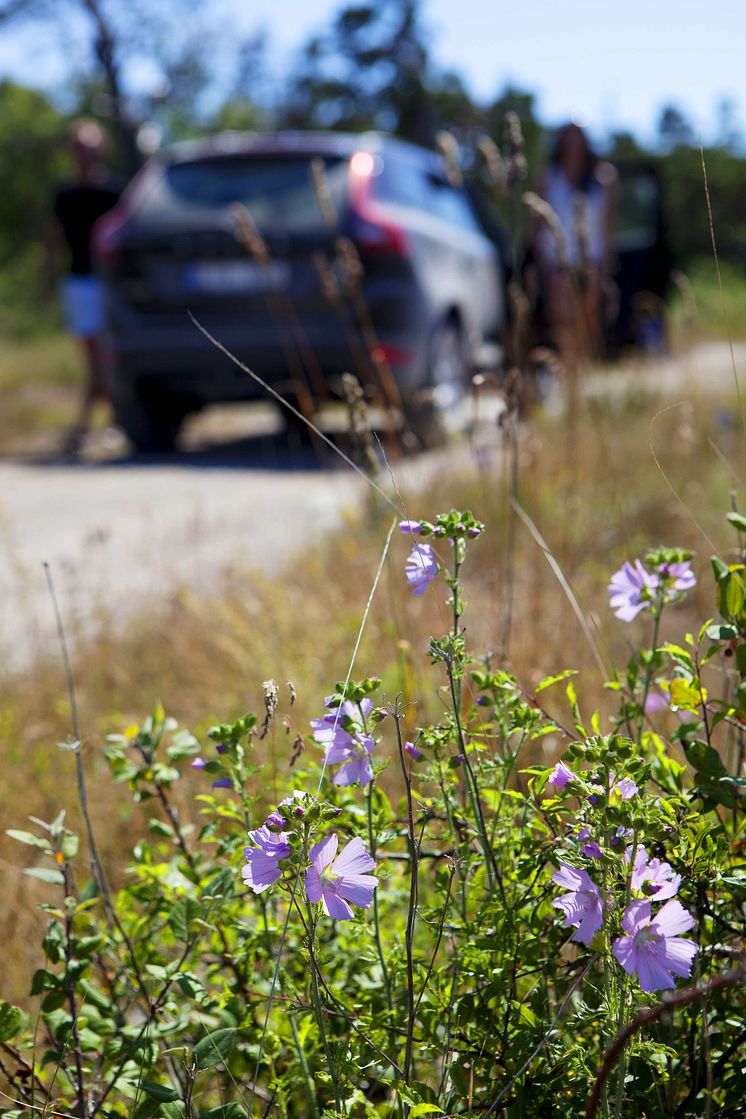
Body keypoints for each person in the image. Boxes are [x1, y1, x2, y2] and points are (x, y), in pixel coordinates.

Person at [46, 119, 120, 454]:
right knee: (92, 356)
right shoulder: (65, 194)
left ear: (100, 150)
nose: (84, 155)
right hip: (79, 283)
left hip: (110, 285)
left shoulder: (113, 192)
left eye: (89, 148)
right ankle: (103, 421)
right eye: (78, 148)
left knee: (107, 354)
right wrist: (45, 281)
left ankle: (92, 423)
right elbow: (54, 240)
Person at [533, 122, 617, 367]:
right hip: (557, 261)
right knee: (562, 318)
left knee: (589, 318)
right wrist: (542, 261)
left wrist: (607, 262)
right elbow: (536, 224)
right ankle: (567, 369)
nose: (573, 143)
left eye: (577, 137)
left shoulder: (604, 177)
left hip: (592, 260)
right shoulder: (548, 177)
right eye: (568, 137)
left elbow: (609, 223)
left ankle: (584, 368)